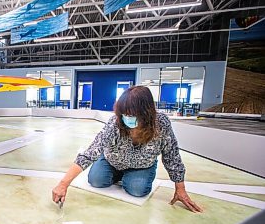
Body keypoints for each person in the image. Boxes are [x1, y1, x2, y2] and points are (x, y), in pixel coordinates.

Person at [52, 86, 202, 213]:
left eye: (132, 114)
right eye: (124, 113)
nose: (127, 117)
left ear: (146, 112)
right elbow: (91, 152)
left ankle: (131, 176)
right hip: (112, 161)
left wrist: (180, 188)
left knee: (137, 189)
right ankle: (115, 173)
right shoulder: (115, 123)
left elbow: (172, 156)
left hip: (142, 166)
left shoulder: (161, 124)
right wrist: (63, 184)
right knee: (96, 180)